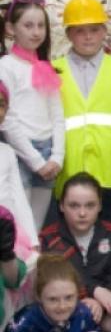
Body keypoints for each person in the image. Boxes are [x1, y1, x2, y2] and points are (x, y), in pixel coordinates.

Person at [52, 0, 111, 229]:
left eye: (94, 29)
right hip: (68, 173)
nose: (88, 36)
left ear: (104, 31)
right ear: (68, 34)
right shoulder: (52, 71)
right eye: (80, 30)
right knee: (67, 252)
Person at [39, 172, 111, 332]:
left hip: (104, 307)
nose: (82, 213)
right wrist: (93, 292)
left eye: (90, 205)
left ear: (100, 206)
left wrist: (99, 303)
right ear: (61, 206)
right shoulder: (49, 238)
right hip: (63, 309)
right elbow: (50, 281)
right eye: (74, 205)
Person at [0, 0, 64, 230]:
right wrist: (35, 160)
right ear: (10, 28)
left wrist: (57, 156)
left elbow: (57, 115)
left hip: (47, 155)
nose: (36, 32)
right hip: (21, 155)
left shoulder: (45, 66)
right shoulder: (6, 66)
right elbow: (7, 120)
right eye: (28, 26)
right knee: (19, 227)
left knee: (36, 229)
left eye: (41, 26)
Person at [0, 84, 37, 254]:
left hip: (8, 238)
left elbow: (19, 200)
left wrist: (33, 241)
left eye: (1, 105)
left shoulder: (6, 152)